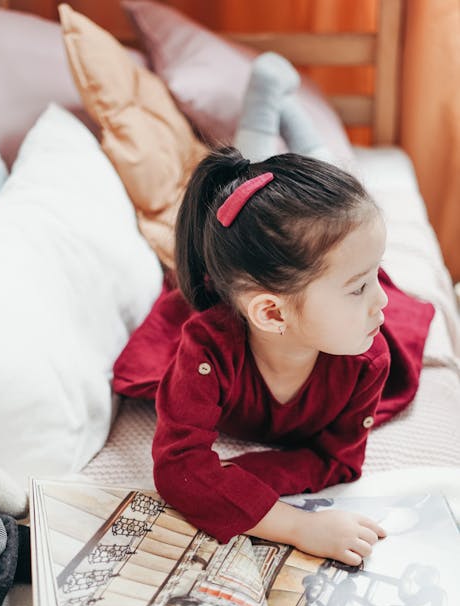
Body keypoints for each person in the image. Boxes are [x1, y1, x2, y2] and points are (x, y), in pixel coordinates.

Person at [113, 55, 435, 567]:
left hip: (307, 278)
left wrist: (232, 485)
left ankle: (288, 119)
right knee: (255, 201)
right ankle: (262, 110)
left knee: (323, 203)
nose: (385, 302)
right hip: (274, 283)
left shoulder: (364, 357)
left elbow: (339, 459)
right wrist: (294, 527)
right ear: (271, 315)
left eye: (377, 275)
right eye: (359, 289)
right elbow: (180, 468)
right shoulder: (205, 353)